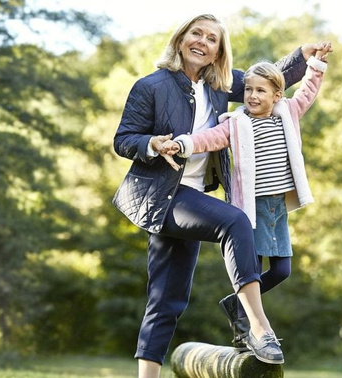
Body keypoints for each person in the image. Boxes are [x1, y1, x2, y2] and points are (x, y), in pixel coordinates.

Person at [112, 12, 329, 378]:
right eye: (196, 34)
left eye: (212, 39)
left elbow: (266, 80)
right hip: (162, 196)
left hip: (193, 195)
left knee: (168, 298)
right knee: (234, 221)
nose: (203, 41)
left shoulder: (219, 85)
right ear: (181, 40)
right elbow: (123, 139)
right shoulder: (150, 86)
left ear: (217, 52)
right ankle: (259, 328)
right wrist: (151, 142)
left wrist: (302, 57)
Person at [161, 43, 333, 351]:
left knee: (282, 270)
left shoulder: (288, 112)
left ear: (277, 95)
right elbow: (208, 138)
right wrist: (183, 144)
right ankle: (246, 331)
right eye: (249, 90)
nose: (252, 96)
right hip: (249, 208)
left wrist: (316, 65)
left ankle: (235, 303)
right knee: (250, 269)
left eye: (261, 91)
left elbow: (307, 90)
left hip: (276, 207)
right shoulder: (235, 123)